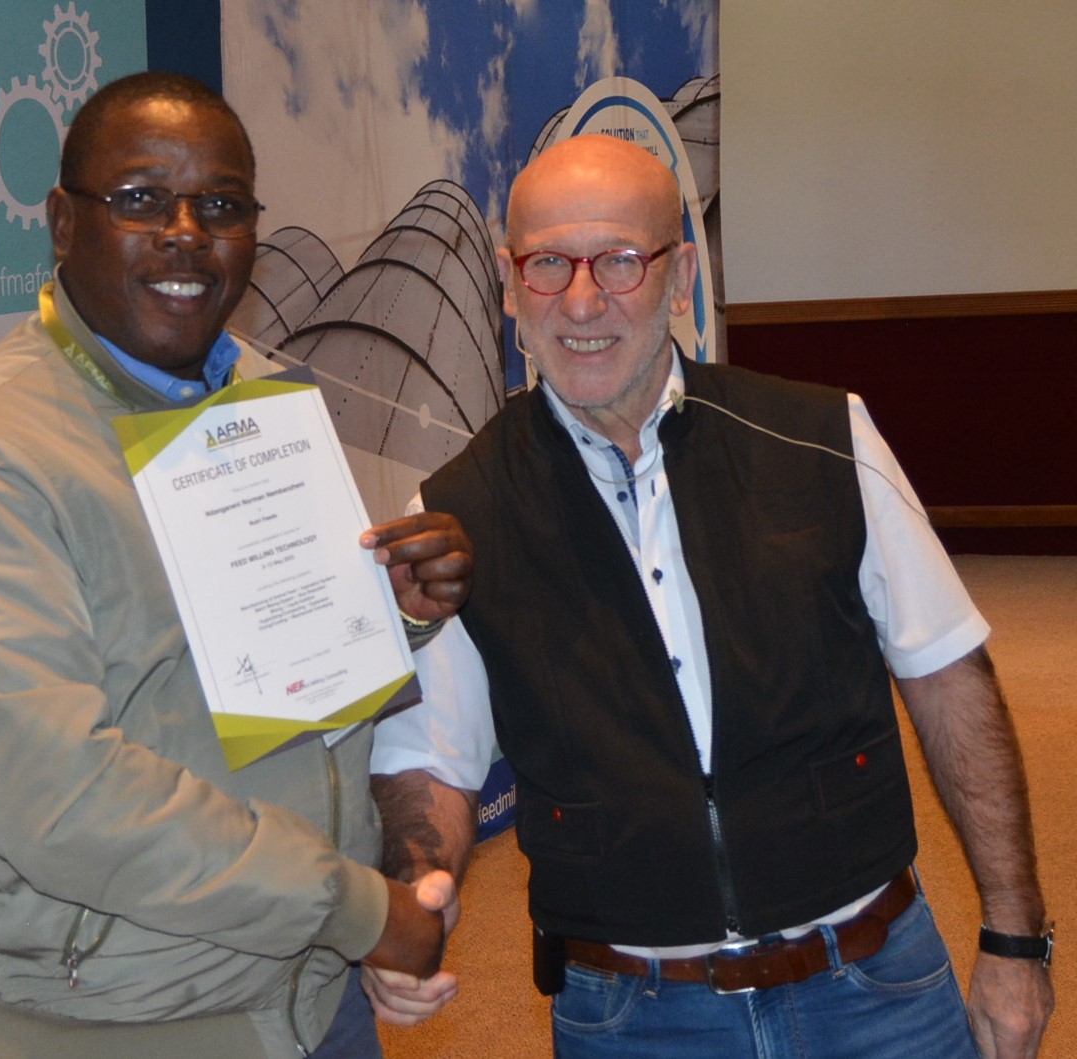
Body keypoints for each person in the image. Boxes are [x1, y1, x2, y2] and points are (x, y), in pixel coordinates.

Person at [366, 133, 1054, 1058]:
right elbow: (433, 764)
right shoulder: (456, 514)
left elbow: (948, 679)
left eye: (620, 260)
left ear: (682, 275)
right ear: (507, 284)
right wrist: (420, 887)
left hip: (875, 987)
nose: (581, 301)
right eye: (547, 264)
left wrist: (1015, 939)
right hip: (633, 1017)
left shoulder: (824, 438)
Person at [0, 71, 473, 1059]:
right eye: (142, 199)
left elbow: (248, 677)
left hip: (309, 996)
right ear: (63, 223)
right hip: (117, 1027)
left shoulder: (259, 395)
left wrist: (391, 611)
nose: (187, 232)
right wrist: (359, 910)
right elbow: (61, 799)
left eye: (222, 205)